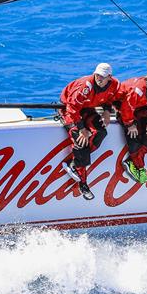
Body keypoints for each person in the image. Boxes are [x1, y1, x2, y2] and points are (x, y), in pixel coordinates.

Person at [59, 63, 119, 200]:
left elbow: (110, 98)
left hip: (87, 109)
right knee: (81, 141)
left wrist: (107, 112)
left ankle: (76, 160)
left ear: (109, 77)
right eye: (97, 75)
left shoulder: (114, 84)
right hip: (69, 111)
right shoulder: (85, 86)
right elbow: (72, 109)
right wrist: (82, 129)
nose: (99, 78)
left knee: (101, 132)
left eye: (102, 76)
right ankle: (83, 184)